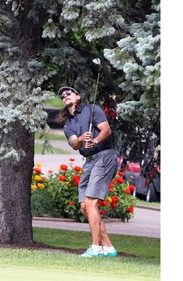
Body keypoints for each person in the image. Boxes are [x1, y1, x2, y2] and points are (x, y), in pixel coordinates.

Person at [56, 86, 118, 258]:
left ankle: (95, 248)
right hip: (89, 162)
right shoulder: (68, 124)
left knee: (91, 202)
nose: (65, 96)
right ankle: (108, 248)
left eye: (68, 93)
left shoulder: (92, 110)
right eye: (62, 96)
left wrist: (95, 140)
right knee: (85, 206)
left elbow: (107, 130)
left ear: (78, 96)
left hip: (104, 157)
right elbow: (74, 143)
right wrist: (82, 140)